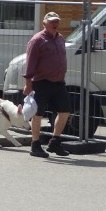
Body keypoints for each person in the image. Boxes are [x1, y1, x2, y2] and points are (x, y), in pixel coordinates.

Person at [23, 10, 71, 157]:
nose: (55, 24)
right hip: (41, 82)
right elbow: (30, 64)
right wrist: (28, 84)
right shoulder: (37, 40)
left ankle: (55, 142)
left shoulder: (60, 38)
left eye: (57, 21)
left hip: (58, 82)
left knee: (65, 111)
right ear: (44, 23)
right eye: (52, 21)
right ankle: (35, 145)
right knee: (37, 114)